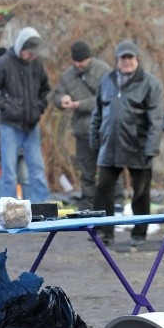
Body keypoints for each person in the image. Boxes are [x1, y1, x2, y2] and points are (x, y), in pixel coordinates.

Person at [90, 40, 164, 247]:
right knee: (103, 189)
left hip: (138, 146)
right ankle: (105, 232)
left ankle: (139, 234)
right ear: (117, 60)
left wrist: (151, 147)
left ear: (137, 59)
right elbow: (97, 112)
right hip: (110, 145)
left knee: (141, 193)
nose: (127, 62)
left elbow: (156, 120)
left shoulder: (150, 84)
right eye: (123, 58)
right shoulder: (106, 80)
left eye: (130, 58)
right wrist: (94, 138)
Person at [0, 26, 51, 203]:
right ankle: (10, 209)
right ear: (21, 48)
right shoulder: (4, 63)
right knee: (9, 171)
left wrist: (38, 108)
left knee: (37, 169)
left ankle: (41, 208)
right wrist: (7, 106)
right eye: (29, 52)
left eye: (34, 53)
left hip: (31, 124)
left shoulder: (36, 65)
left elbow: (45, 91)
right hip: (9, 125)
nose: (32, 56)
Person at [53, 41, 112, 210]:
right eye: (77, 62)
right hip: (81, 131)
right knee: (86, 171)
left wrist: (81, 104)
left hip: (103, 130)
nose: (80, 65)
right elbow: (57, 94)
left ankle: (114, 203)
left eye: (83, 62)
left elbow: (108, 98)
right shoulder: (67, 76)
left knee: (109, 170)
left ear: (90, 58)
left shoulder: (103, 71)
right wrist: (62, 99)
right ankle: (88, 205)